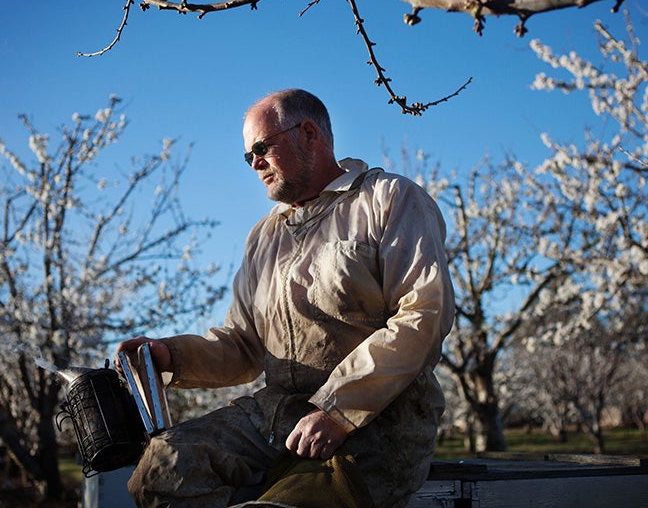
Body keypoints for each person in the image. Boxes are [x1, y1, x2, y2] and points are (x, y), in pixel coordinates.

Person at [115, 88, 455, 508]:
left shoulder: (389, 199)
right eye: (248, 156)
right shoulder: (264, 237)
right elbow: (242, 346)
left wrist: (337, 409)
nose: (254, 163)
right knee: (161, 468)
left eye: (261, 148)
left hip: (380, 422)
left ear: (309, 134)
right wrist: (171, 356)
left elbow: (423, 314)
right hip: (278, 414)